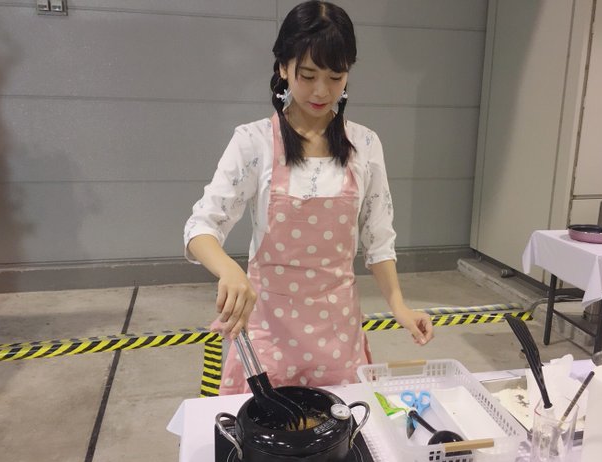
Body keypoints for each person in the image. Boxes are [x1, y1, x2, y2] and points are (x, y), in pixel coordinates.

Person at [184, 0, 433, 395]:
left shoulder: (365, 144)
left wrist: (399, 304)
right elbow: (201, 227)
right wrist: (230, 270)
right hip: (267, 331)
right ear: (284, 68)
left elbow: (378, 238)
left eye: (335, 77)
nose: (322, 91)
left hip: (338, 332)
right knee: (265, 428)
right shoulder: (254, 142)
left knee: (341, 427)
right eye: (308, 75)